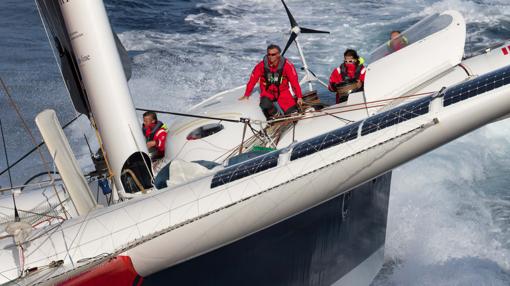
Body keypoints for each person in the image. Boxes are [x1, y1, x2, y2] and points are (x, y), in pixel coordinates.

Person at [239, 44, 303, 119]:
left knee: (293, 113)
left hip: (283, 92)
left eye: (273, 54)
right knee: (264, 104)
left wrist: (299, 96)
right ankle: (277, 115)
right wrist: (247, 94)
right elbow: (252, 80)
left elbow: (294, 82)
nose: (270, 56)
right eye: (269, 54)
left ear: (278, 54)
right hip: (267, 91)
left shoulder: (288, 66)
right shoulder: (261, 65)